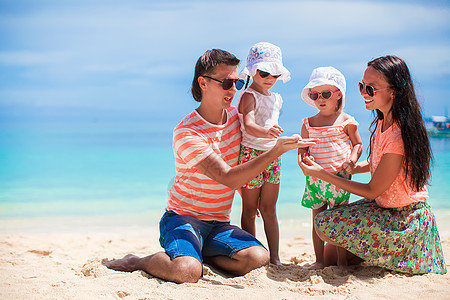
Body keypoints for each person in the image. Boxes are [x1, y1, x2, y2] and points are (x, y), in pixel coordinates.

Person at [105, 49, 318, 283]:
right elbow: (227, 176)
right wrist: (276, 150)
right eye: (227, 83)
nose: (234, 90)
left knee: (258, 257)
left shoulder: (238, 120)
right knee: (186, 271)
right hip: (182, 218)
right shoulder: (187, 132)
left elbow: (245, 159)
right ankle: (138, 261)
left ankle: (200, 254)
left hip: (219, 224)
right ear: (203, 83)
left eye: (237, 82)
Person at [298, 55, 447, 274]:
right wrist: (349, 167)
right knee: (329, 254)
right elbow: (377, 162)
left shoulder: (398, 135)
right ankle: (385, 252)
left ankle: (404, 251)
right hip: (382, 209)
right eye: (361, 86)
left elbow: (372, 189)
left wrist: (324, 174)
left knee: (324, 224)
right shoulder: (381, 121)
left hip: (403, 218)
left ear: (393, 91)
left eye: (371, 89)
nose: (363, 93)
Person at [298, 66, 362, 269]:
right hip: (315, 181)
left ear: (338, 95)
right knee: (317, 221)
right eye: (314, 95)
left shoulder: (346, 121)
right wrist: (302, 162)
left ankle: (342, 262)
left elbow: (358, 144)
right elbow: (303, 149)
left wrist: (352, 160)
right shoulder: (308, 123)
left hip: (340, 179)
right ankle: (319, 260)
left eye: (325, 93)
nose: (320, 98)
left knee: (338, 223)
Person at [237, 42, 291, 265]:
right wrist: (266, 132)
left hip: (273, 155)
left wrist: (272, 137)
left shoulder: (277, 98)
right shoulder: (249, 95)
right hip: (251, 154)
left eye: (274, 73)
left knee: (269, 208)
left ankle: (275, 257)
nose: (269, 77)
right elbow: (248, 125)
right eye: (264, 72)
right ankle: (252, 253)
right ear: (252, 70)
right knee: (250, 209)